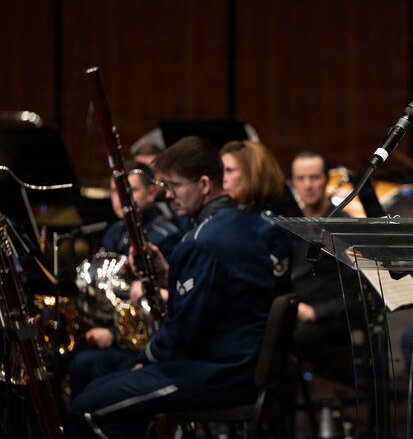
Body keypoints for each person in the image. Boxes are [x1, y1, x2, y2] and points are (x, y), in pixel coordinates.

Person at [68, 136, 291, 439]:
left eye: (174, 186)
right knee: (101, 385)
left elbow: (184, 333)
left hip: (217, 374)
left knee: (84, 406)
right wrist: (167, 274)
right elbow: (218, 295)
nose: (168, 196)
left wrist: (144, 360)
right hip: (236, 365)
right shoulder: (238, 224)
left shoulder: (203, 241)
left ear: (203, 184)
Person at [69, 160, 182, 398]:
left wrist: (112, 333)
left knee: (85, 364)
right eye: (114, 191)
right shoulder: (114, 232)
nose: (120, 197)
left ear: (152, 192)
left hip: (142, 339)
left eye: (129, 191)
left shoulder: (164, 235)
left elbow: (160, 302)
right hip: (113, 327)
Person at [289, 151, 358, 362]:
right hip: (296, 310)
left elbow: (356, 293)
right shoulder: (292, 224)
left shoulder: (343, 225)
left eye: (314, 177)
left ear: (326, 180)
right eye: (300, 179)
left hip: (328, 320)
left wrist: (316, 312)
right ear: (293, 183)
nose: (308, 185)